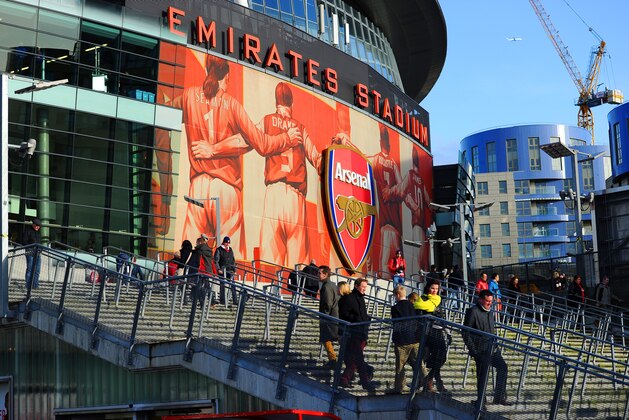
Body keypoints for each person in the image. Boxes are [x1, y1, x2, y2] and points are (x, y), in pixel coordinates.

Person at [174, 54, 302, 260]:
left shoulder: (189, 96)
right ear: (229, 75)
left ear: (206, 71)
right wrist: (286, 138)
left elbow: (162, 111)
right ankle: (220, 292)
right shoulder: (232, 105)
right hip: (226, 190)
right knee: (229, 262)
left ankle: (183, 290)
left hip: (197, 187)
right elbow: (262, 144)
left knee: (189, 255)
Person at [258, 82, 321, 267]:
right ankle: (298, 295)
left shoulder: (267, 120)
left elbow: (247, 138)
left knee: (269, 266)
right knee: (299, 266)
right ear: (291, 104)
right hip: (295, 198)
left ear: (276, 103)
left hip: (273, 194)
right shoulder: (300, 128)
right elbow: (317, 160)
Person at [462, 290, 512, 407]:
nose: (489, 303)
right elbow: (465, 332)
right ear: (480, 299)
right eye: (487, 301)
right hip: (480, 349)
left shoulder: (489, 311)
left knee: (503, 368)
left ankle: (499, 397)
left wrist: (496, 346)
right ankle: (481, 401)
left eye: (491, 301)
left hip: (493, 348)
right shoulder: (473, 311)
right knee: (482, 375)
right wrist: (473, 350)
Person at [369, 125, 404, 273]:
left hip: (386, 220)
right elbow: (401, 188)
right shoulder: (393, 164)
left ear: (380, 142)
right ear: (387, 143)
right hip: (394, 221)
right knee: (393, 263)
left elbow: (361, 156)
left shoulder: (376, 159)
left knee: (385, 263)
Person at [339, 278, 376, 391]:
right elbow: (344, 315)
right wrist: (358, 319)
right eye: (363, 286)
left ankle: (344, 379)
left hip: (361, 332)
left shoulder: (360, 298)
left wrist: (366, 319)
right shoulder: (348, 298)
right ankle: (364, 381)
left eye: (366, 287)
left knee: (353, 359)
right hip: (353, 333)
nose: (364, 289)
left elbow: (361, 314)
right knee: (358, 358)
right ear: (356, 286)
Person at [414, 278, 450, 394]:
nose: (435, 291)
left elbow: (441, 316)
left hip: (438, 330)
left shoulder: (438, 300)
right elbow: (418, 318)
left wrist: (447, 331)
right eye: (432, 288)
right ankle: (432, 382)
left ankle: (428, 379)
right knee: (438, 356)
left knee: (442, 356)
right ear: (428, 288)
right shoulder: (422, 300)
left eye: (436, 289)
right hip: (428, 332)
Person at [402, 147, 430, 273]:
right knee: (420, 258)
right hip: (421, 223)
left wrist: (415, 207)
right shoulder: (421, 180)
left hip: (418, 223)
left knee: (417, 258)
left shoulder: (411, 175)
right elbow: (429, 202)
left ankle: (417, 280)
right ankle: (417, 281)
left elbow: (404, 194)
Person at [390, 285, 422, 394]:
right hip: (414, 338)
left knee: (400, 365)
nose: (395, 297)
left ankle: (399, 387)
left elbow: (395, 323)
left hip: (401, 341)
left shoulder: (395, 308)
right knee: (419, 362)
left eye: (395, 295)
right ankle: (426, 383)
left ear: (398, 295)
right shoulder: (412, 305)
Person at [318, 265, 339, 368]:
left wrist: (324, 315)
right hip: (334, 315)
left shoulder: (326, 286)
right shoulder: (332, 285)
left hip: (328, 317)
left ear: (325, 274)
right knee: (329, 338)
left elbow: (327, 303)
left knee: (326, 338)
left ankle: (333, 360)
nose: (318, 275)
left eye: (319, 273)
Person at [214, 236, 238, 306]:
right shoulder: (219, 250)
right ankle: (222, 300)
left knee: (233, 285)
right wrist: (218, 269)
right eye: (226, 243)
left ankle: (235, 300)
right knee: (222, 285)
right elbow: (216, 261)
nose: (227, 244)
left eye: (228, 243)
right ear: (223, 242)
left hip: (230, 270)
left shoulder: (230, 249)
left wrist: (234, 269)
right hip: (222, 271)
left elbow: (233, 260)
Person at [23, 218, 42, 289]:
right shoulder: (28, 231)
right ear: (33, 224)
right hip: (30, 252)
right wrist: (31, 247)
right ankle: (28, 285)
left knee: (37, 270)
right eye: (36, 226)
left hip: (38, 253)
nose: (38, 227)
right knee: (30, 269)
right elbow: (24, 242)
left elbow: (40, 243)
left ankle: (35, 285)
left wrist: (40, 250)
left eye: (39, 226)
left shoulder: (38, 233)